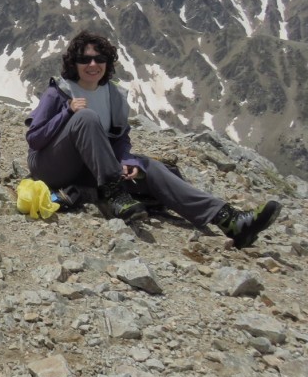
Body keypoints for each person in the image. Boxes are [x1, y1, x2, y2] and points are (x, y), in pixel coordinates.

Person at [25, 29, 281, 249]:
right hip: (51, 167)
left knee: (150, 167)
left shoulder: (114, 96)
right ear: (74, 63)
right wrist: (67, 113)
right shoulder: (59, 91)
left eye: (99, 58)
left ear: (107, 62)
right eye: (85, 59)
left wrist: (126, 160)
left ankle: (230, 220)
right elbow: (34, 139)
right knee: (86, 118)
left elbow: (121, 137)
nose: (93, 65)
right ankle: (114, 196)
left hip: (92, 170)